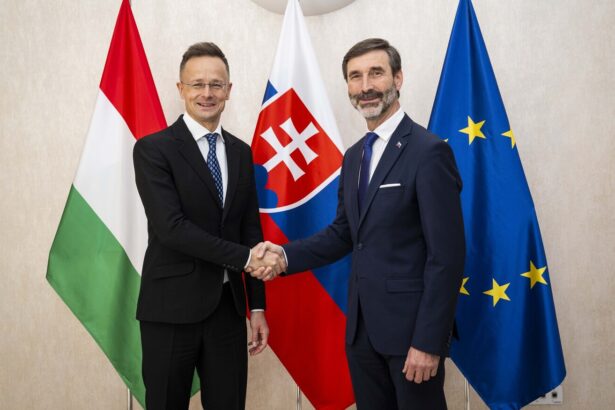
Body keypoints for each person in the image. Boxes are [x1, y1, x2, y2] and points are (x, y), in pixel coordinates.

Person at [251, 38, 465, 409]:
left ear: (398, 78)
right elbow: (345, 233)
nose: (365, 86)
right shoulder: (353, 158)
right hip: (362, 335)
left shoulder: (429, 152)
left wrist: (429, 342)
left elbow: (447, 256)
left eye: (376, 73)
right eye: (355, 76)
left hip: (412, 337)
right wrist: (283, 256)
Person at [133, 42, 284, 410]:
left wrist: (257, 307)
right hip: (170, 309)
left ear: (228, 90)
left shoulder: (240, 151)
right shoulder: (153, 149)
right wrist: (246, 259)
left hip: (227, 311)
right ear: (180, 89)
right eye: (197, 84)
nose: (207, 93)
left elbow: (250, 229)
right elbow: (172, 228)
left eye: (216, 84)